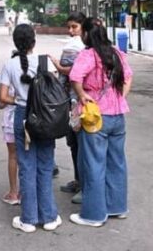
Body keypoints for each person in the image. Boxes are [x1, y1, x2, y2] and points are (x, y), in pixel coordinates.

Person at [69, 17, 133, 228]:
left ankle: (94, 215)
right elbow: (128, 77)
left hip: (96, 117)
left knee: (94, 164)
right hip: (118, 116)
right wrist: (120, 96)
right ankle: (117, 207)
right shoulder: (116, 53)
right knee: (117, 162)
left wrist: (82, 95)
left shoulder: (88, 55)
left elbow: (75, 77)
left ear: (86, 34)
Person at [0, 24, 61, 233]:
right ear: (34, 42)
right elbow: (55, 91)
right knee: (45, 164)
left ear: (16, 43)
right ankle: (49, 217)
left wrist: (19, 100)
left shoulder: (9, 65)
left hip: (22, 117)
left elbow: (2, 98)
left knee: (26, 166)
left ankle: (28, 219)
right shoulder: (44, 62)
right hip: (44, 118)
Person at [53, 11, 86, 196]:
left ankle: (85, 185)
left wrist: (59, 68)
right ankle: (78, 180)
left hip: (80, 102)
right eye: (69, 27)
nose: (71, 31)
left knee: (82, 145)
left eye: (75, 27)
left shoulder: (86, 49)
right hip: (68, 102)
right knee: (73, 143)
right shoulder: (72, 45)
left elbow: (74, 71)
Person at [0, 86, 19, 205]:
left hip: (10, 121)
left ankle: (13, 192)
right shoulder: (33, 70)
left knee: (13, 156)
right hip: (30, 119)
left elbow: (1, 103)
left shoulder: (8, 73)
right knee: (27, 156)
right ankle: (27, 191)